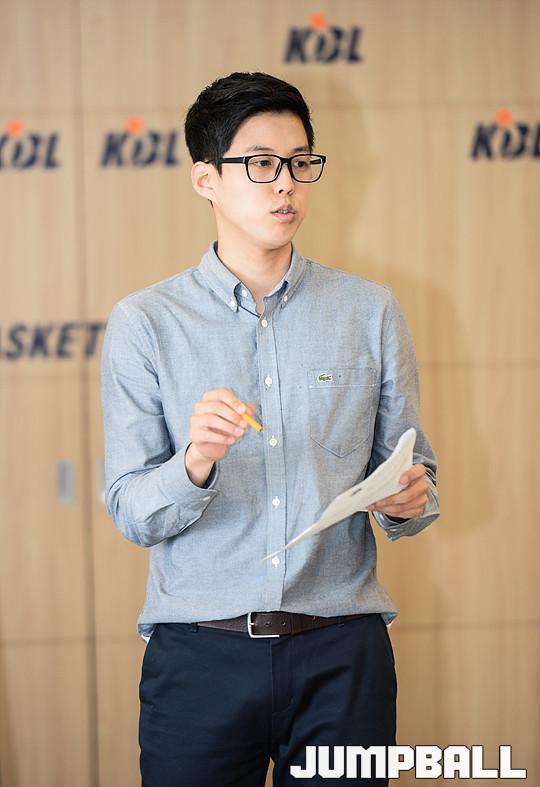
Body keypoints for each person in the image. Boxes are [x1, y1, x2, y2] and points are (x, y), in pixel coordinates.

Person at [100, 71, 440, 787]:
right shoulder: (146, 323)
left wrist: (409, 499)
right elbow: (132, 509)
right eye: (261, 163)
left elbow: (416, 478)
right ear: (206, 179)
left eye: (300, 162)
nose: (285, 183)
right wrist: (195, 459)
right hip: (200, 656)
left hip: (342, 655)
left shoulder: (370, 311)